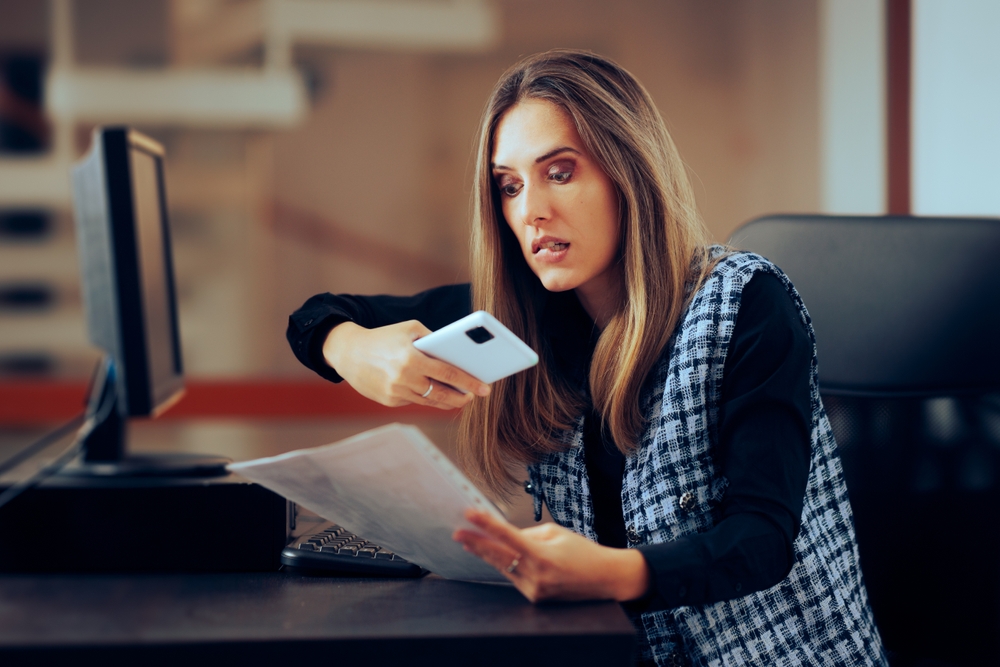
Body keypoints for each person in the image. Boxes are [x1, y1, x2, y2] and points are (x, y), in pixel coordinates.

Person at [287, 50, 887, 666]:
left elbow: (761, 540)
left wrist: (612, 573)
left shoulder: (747, 302)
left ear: (628, 171)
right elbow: (317, 315)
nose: (530, 210)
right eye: (510, 186)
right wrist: (351, 348)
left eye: (561, 171)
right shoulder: (522, 315)